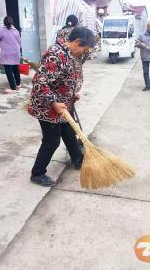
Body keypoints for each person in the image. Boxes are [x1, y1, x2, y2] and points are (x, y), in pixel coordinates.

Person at [27, 26, 96, 187]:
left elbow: (61, 79)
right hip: (47, 108)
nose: (82, 53)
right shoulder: (56, 55)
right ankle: (37, 173)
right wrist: (53, 102)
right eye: (83, 49)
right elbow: (39, 82)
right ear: (77, 42)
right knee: (51, 141)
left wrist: (71, 93)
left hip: (63, 105)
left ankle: (77, 159)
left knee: (69, 132)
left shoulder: (68, 53)